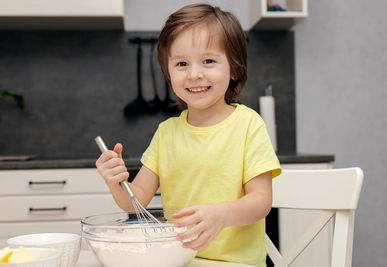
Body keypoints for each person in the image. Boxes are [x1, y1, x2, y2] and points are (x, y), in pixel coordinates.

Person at [96, 3, 281, 267]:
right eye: (182, 63)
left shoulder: (248, 125)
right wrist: (116, 182)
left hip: (236, 263)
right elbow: (134, 202)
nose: (194, 74)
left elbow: (262, 202)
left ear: (234, 68)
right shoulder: (166, 133)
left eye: (208, 61)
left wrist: (222, 215)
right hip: (179, 261)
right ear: (169, 74)